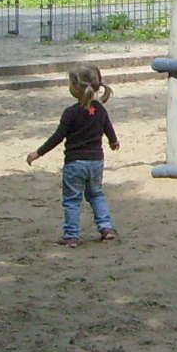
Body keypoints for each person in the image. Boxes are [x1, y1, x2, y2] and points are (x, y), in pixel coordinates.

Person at [26, 63, 120, 246]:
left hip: (75, 163)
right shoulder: (100, 109)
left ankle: (71, 235)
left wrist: (38, 153)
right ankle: (106, 227)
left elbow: (57, 137)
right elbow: (109, 129)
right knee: (96, 195)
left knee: (72, 200)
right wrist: (113, 142)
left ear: (76, 87)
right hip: (96, 162)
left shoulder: (70, 113)